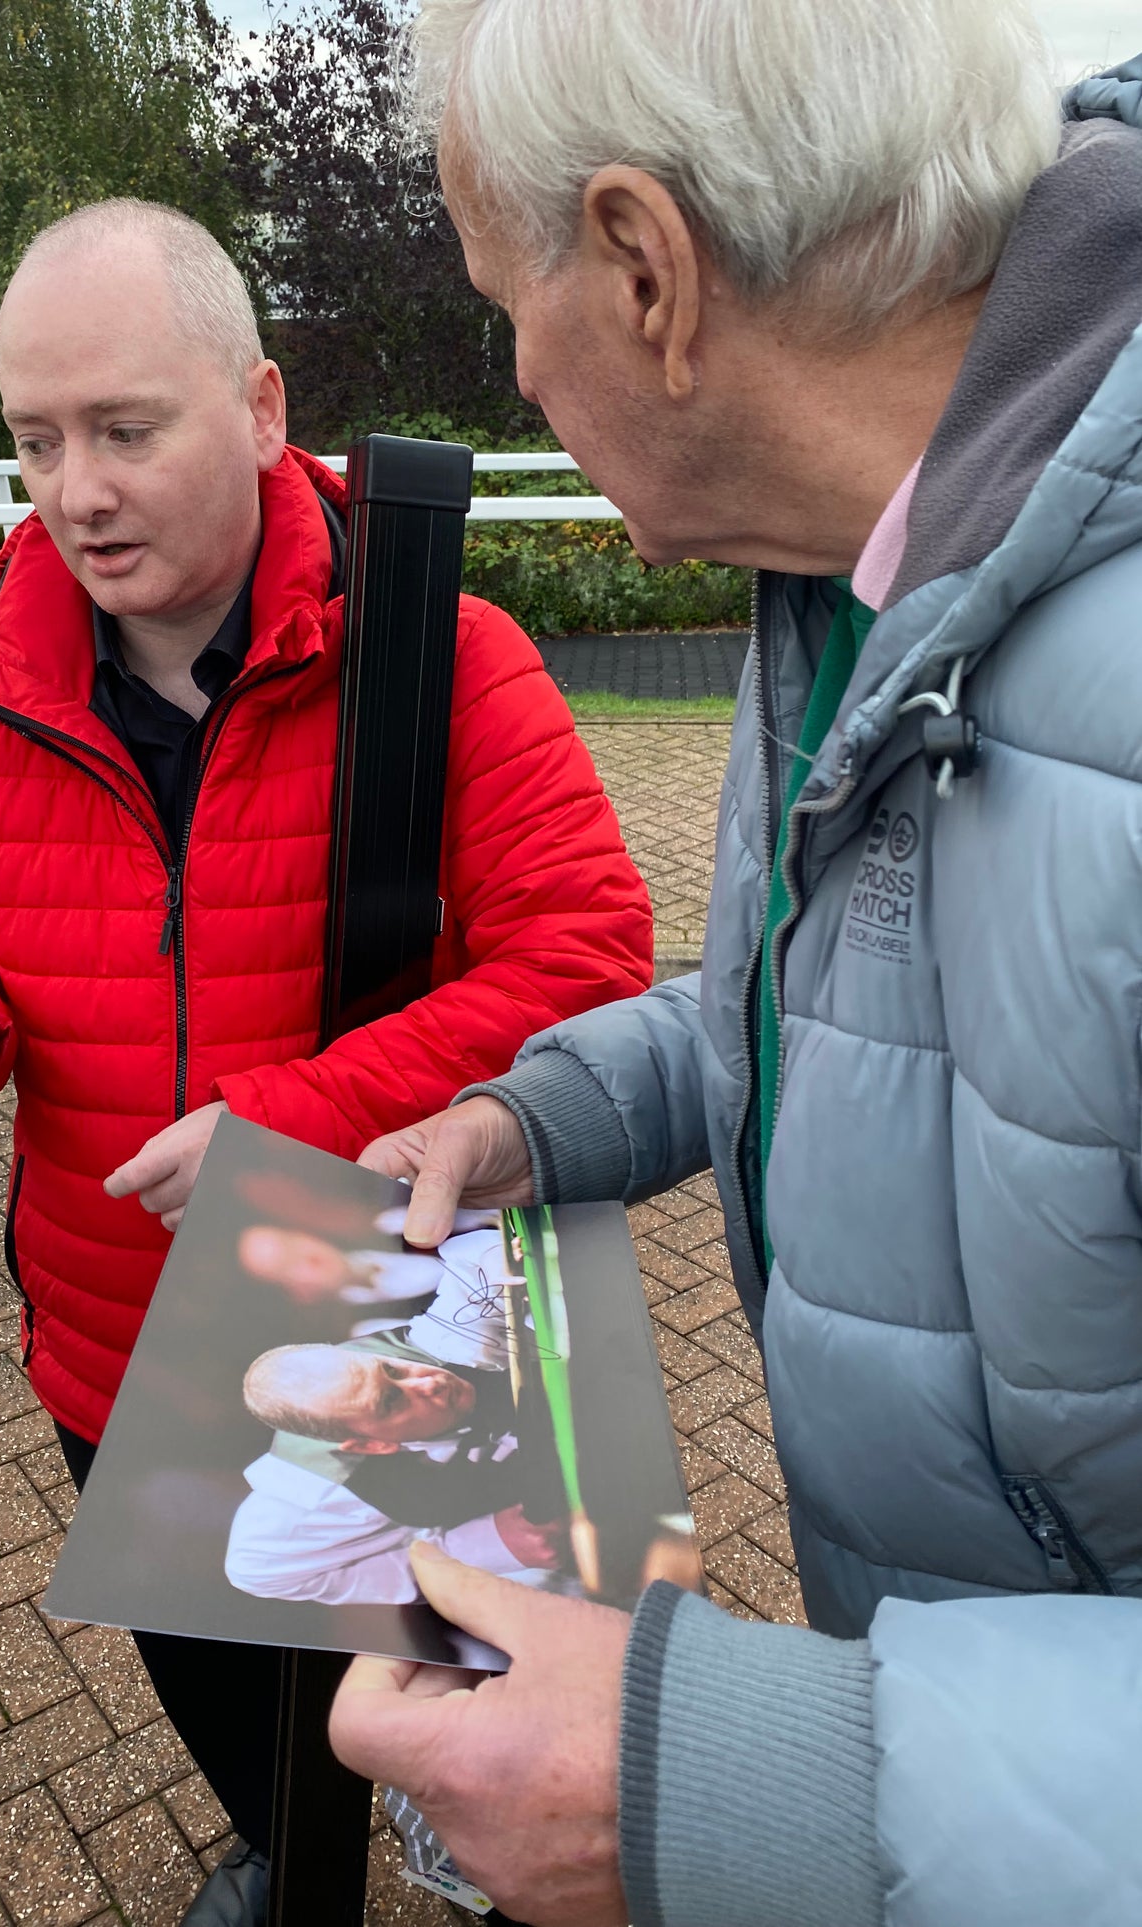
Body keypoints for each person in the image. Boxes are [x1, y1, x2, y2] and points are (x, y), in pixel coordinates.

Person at [329, 10, 1142, 1925]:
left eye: (497, 296)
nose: (509, 371)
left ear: (644, 269)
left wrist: (744, 1783)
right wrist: (545, 1113)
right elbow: (864, 995)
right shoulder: (862, 571)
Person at [0, 198, 653, 1923]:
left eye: (126, 429)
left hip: (409, 1332)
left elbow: (584, 958)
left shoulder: (444, 659)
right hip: (119, 1339)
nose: (77, 489)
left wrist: (290, 1123)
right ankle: (284, 1848)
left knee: (484, 1723)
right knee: (228, 1693)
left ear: (264, 409)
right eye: (36, 440)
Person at [229, 1229, 562, 1604]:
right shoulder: (321, 1495)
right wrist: (486, 1546)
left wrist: (495, 1258)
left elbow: (473, 1272)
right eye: (390, 1401)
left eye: (393, 1370)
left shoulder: (427, 1347)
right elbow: (254, 1573)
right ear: (370, 1444)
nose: (428, 1383)